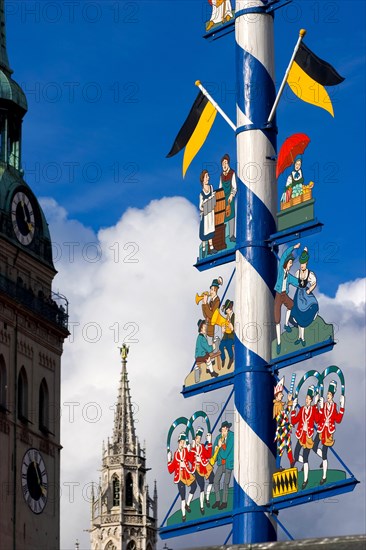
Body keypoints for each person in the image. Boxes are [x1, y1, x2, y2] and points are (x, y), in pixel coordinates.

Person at [313, 380, 345, 485]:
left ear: (333, 395)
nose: (328, 396)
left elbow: (338, 419)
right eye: (327, 394)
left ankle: (324, 476)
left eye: (330, 394)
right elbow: (317, 419)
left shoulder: (334, 406)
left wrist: (342, 406)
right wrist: (319, 407)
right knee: (314, 446)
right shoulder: (324, 404)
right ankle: (323, 459)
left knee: (325, 452)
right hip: (321, 429)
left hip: (328, 432)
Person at [291, 385, 320, 490]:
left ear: (311, 400)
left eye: (308, 399)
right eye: (306, 398)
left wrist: (318, 407)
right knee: (295, 455)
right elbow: (294, 421)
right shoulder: (302, 409)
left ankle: (305, 479)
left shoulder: (313, 409)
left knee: (306, 457)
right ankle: (304, 464)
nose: (307, 400)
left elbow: (317, 420)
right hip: (301, 435)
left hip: (308, 437)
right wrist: (293, 408)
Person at [274, 243, 301, 354]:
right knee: (276, 319)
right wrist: (293, 248)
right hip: (278, 295)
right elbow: (284, 255)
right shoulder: (281, 270)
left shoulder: (289, 276)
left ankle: (286, 324)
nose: (290, 265)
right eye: (290, 263)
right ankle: (279, 343)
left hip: (284, 295)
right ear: (285, 263)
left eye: (291, 263)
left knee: (291, 305)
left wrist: (305, 284)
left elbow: (296, 282)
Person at [290, 247, 319, 347]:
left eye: (303, 264)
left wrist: (309, 290)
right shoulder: (298, 273)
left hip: (306, 295)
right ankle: (300, 337)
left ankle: (302, 337)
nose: (302, 266)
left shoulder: (309, 274)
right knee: (298, 314)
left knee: (305, 312)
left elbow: (314, 283)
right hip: (298, 295)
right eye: (301, 264)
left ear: (306, 263)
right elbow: (295, 281)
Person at [167, 433, 197, 522]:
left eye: (183, 442)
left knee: (194, 486)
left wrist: (192, 449)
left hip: (187, 474)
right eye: (181, 442)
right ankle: (183, 515)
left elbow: (191, 459)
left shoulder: (185, 451)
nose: (182, 443)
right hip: (179, 476)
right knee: (182, 496)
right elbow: (171, 469)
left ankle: (188, 504)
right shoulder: (176, 454)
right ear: (179, 442)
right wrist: (169, 460)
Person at [190, 427, 214, 514]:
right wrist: (192, 449)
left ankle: (207, 498)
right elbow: (190, 459)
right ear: (195, 439)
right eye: (197, 438)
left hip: (205, 466)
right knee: (201, 487)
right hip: (197, 468)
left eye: (200, 438)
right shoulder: (192, 448)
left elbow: (208, 455)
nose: (199, 440)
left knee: (212, 480)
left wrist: (210, 442)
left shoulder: (202, 447)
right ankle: (201, 506)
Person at [273, 377, 295, 470]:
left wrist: (290, 400)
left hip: (285, 430)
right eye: (281, 394)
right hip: (282, 430)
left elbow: (286, 413)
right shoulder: (277, 407)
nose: (282, 395)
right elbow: (284, 415)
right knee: (281, 448)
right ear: (277, 396)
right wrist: (289, 401)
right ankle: (278, 466)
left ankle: (291, 461)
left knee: (288, 446)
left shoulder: (280, 406)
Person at [211, 421, 234, 510]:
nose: (222, 432)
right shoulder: (218, 438)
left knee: (226, 483)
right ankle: (217, 500)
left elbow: (226, 453)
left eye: (224, 430)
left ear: (227, 429)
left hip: (228, 463)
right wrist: (214, 457)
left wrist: (220, 446)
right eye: (221, 430)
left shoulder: (232, 437)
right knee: (215, 480)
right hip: (221, 463)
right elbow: (213, 452)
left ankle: (224, 502)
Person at [219, 154, 237, 242]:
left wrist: (231, 195)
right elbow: (220, 187)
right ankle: (224, 237)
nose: (224, 165)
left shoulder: (232, 173)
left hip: (230, 197)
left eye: (225, 163)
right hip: (223, 198)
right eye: (223, 164)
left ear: (228, 163)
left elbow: (234, 187)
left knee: (231, 215)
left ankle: (231, 235)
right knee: (223, 217)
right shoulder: (221, 176)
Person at [199, 170, 217, 257]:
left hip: (210, 212)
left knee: (210, 230)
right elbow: (200, 206)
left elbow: (213, 197)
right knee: (204, 231)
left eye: (208, 176)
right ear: (203, 179)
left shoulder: (211, 187)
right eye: (206, 176)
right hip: (205, 214)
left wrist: (213, 197)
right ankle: (204, 248)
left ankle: (211, 247)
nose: (208, 178)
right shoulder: (201, 193)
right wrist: (204, 204)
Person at [201, 276, 223, 346]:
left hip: (210, 329)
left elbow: (211, 315)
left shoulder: (217, 300)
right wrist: (204, 304)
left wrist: (206, 303)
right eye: (211, 289)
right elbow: (205, 315)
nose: (211, 291)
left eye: (212, 289)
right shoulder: (211, 300)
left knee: (209, 345)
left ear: (216, 290)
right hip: (206, 326)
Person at [219, 299, 235, 369]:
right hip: (226, 336)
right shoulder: (226, 318)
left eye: (227, 309)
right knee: (220, 346)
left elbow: (234, 328)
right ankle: (223, 359)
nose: (226, 311)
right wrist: (223, 329)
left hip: (232, 336)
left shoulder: (234, 316)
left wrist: (231, 326)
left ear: (230, 307)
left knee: (228, 345)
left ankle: (231, 358)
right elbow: (225, 329)